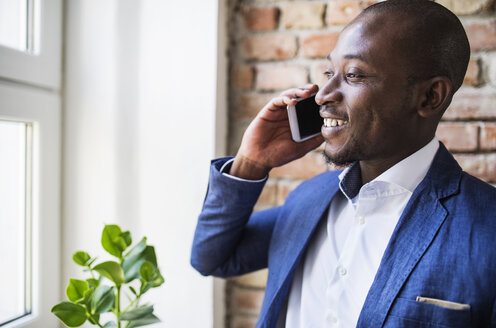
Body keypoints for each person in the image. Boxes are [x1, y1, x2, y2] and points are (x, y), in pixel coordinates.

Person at [191, 0, 496, 327]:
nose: (323, 94)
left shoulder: (487, 226)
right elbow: (212, 257)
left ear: (429, 97)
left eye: (353, 74)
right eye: (328, 72)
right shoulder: (309, 198)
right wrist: (250, 162)